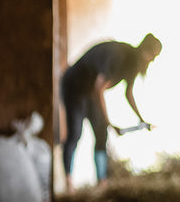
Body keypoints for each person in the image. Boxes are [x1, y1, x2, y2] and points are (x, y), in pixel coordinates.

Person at [60, 33, 162, 192]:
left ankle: (102, 184)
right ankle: (69, 184)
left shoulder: (133, 66)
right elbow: (99, 89)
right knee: (75, 133)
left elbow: (128, 94)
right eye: (152, 56)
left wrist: (141, 119)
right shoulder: (119, 56)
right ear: (145, 52)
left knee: (102, 134)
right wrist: (109, 123)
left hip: (89, 91)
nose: (152, 60)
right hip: (74, 86)